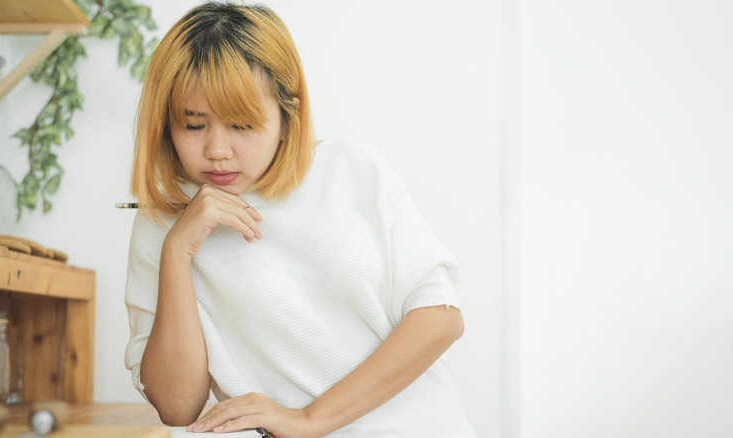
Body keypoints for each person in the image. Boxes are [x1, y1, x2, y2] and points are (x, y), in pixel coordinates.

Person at [123, 2, 476, 437]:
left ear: (287, 116)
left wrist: (310, 420)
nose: (217, 149)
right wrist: (177, 252)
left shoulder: (350, 168)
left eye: (240, 124)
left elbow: (440, 316)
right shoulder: (162, 225)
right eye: (193, 125)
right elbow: (177, 407)